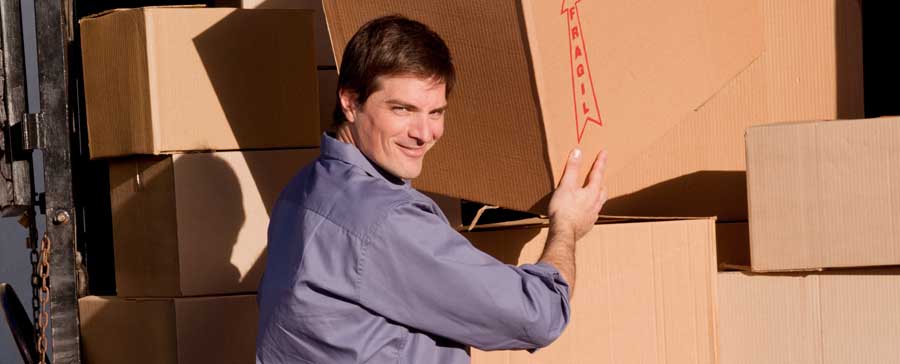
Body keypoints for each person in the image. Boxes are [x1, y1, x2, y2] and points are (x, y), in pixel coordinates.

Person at [256, 14, 607, 364]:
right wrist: (567, 226)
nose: (424, 133)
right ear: (350, 102)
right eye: (403, 109)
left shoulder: (302, 190)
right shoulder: (387, 221)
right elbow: (538, 315)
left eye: (436, 112)